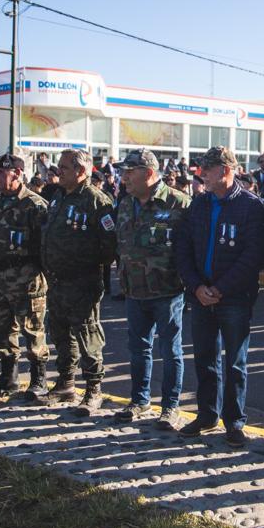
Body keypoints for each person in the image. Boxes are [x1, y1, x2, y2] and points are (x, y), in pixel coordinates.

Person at [174, 146, 264, 447]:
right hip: (200, 296)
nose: (201, 175)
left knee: (235, 363)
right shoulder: (199, 204)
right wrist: (196, 287)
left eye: (207, 169)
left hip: (234, 298)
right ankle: (206, 414)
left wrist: (221, 288)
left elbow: (252, 256)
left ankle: (234, 421)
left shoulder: (251, 207)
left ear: (225, 171)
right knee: (204, 358)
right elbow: (183, 248)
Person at [113, 148, 191, 429]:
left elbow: (191, 248)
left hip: (166, 291)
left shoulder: (179, 203)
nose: (124, 178)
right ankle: (139, 400)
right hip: (134, 290)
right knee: (138, 349)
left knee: (170, 351)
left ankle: (170, 406)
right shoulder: (125, 203)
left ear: (148, 173)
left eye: (129, 172)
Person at [39, 148, 117, 415]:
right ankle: (66, 383)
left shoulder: (96, 201)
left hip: (82, 282)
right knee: (60, 333)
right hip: (57, 281)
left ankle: (94, 389)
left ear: (81, 171)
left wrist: (85, 265)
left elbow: (109, 246)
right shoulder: (58, 196)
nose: (58, 171)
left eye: (64, 167)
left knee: (87, 335)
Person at [0, 154, 51, 399]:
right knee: (2, 329)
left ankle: (38, 379)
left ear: (17, 174)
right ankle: (8, 377)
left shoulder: (35, 205)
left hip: (26, 278)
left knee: (32, 329)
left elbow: (45, 247)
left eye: (1, 173)